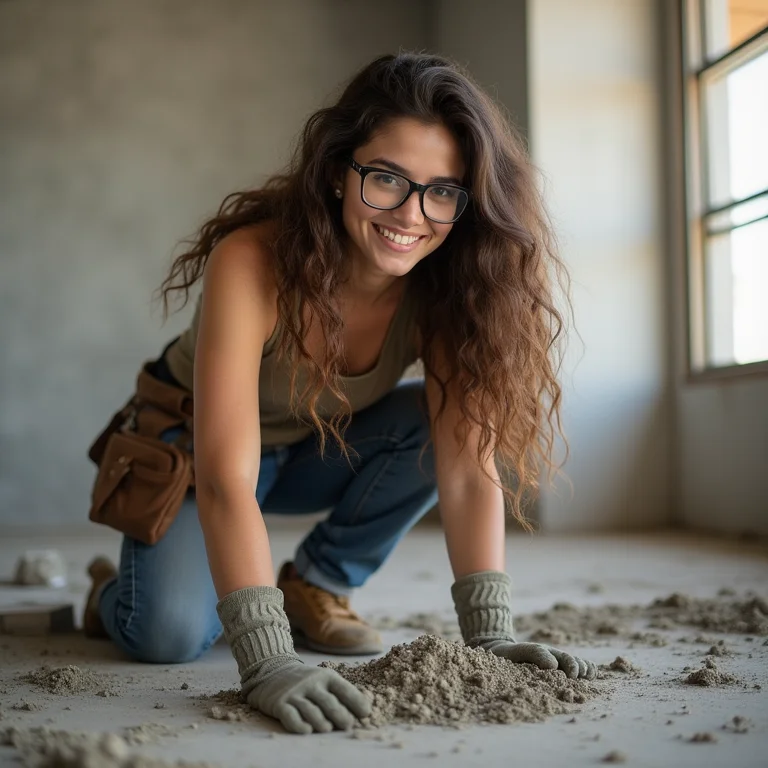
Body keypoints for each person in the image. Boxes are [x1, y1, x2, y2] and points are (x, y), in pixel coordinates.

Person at [84, 52, 596, 735]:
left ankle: (317, 582)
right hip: (194, 452)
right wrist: (267, 661)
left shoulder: (446, 286)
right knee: (169, 635)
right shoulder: (251, 261)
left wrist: (492, 636)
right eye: (387, 179)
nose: (412, 214)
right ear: (335, 172)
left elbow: (468, 474)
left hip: (314, 449)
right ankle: (105, 596)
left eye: (443, 191)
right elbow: (225, 477)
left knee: (427, 421)